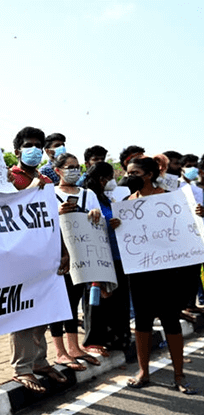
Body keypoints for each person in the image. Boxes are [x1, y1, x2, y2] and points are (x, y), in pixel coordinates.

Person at [123, 155, 198, 394]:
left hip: (168, 273)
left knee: (170, 320)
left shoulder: (170, 199)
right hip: (140, 273)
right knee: (142, 321)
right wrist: (115, 224)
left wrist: (199, 214)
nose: (129, 177)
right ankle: (143, 372)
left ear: (149, 175)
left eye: (134, 173)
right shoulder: (126, 202)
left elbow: (190, 228)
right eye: (127, 173)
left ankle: (179, 375)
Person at [8, 127, 68, 393]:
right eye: (28, 145)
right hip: (20, 256)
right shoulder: (9, 177)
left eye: (37, 146)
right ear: (17, 150)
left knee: (43, 310)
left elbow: (52, 219)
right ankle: (22, 368)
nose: (33, 150)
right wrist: (31, 189)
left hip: (46, 253)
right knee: (22, 313)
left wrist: (63, 250)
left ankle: (40, 361)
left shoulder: (46, 179)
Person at [52, 152, 104, 369]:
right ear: (57, 170)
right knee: (58, 303)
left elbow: (99, 221)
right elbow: (43, 221)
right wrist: (57, 212)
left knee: (73, 301)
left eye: (76, 167)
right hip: (57, 255)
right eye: (69, 167)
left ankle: (73, 347)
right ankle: (60, 351)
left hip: (82, 254)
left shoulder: (87, 194)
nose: (74, 171)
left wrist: (95, 213)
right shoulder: (50, 193)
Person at [81, 162, 131, 351]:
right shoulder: (88, 197)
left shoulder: (107, 198)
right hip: (99, 256)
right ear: (102, 179)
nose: (113, 181)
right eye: (111, 177)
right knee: (98, 300)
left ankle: (117, 339)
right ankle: (94, 340)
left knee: (117, 301)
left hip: (117, 256)